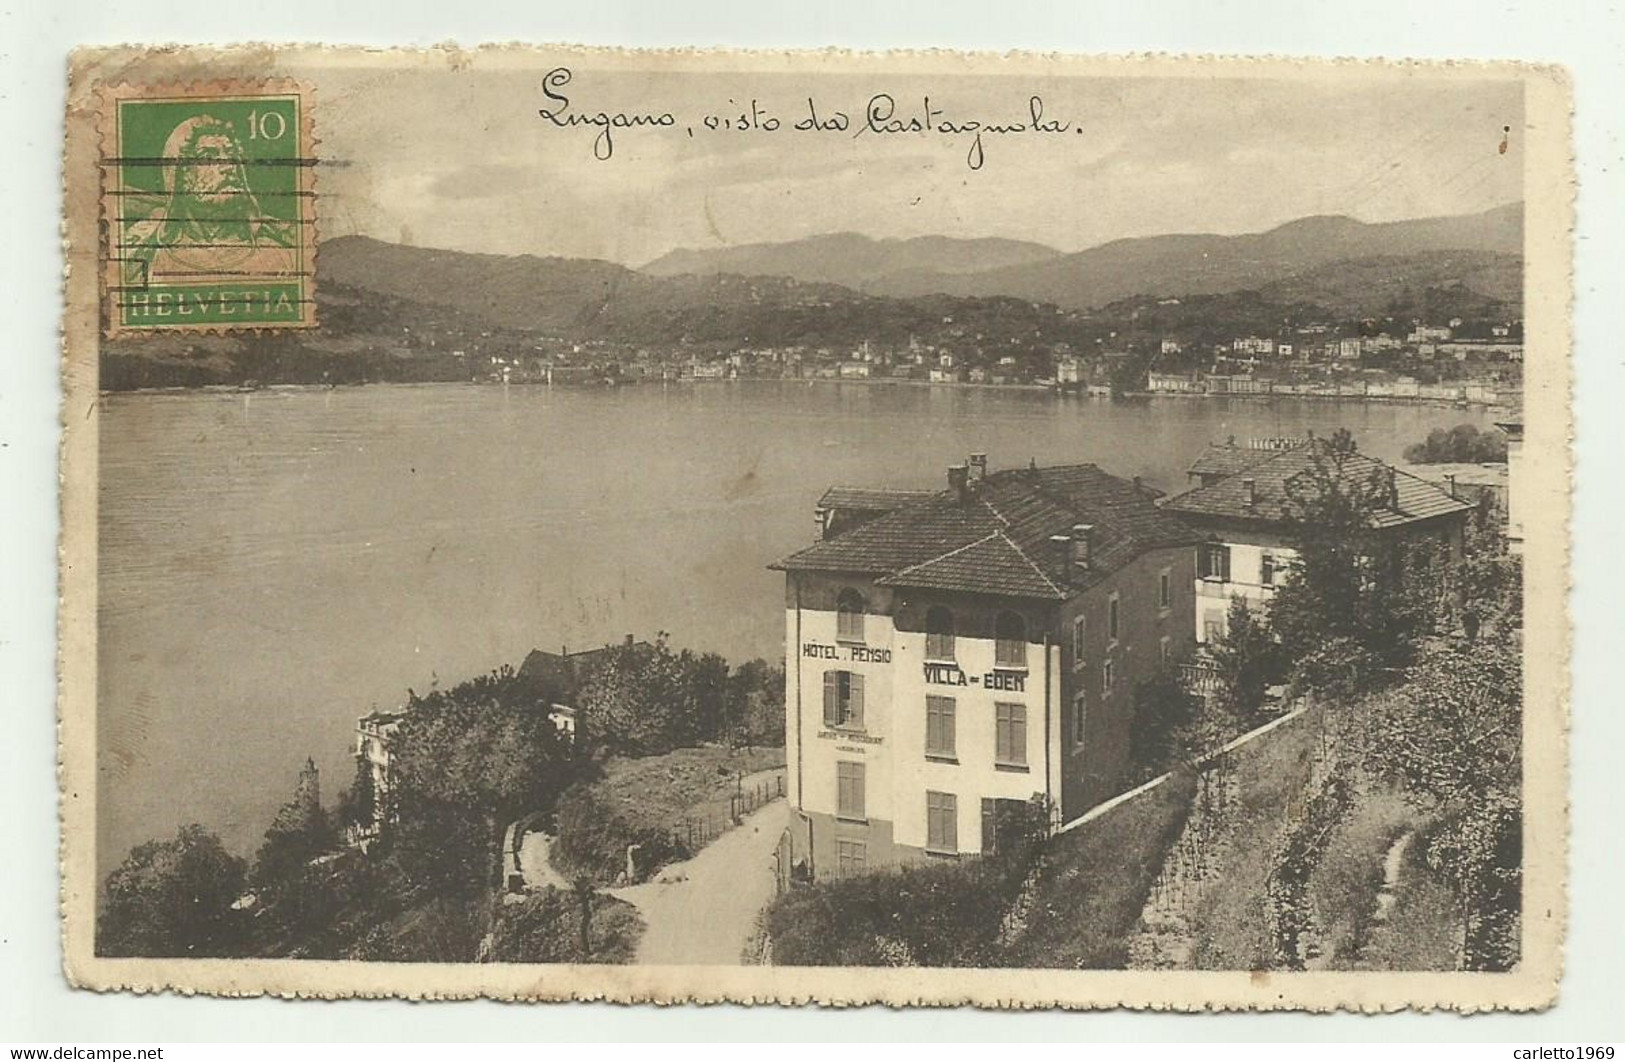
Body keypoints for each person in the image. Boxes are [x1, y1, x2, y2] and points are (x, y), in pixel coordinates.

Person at [121, 113, 298, 286]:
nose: (228, 167)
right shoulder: (144, 258)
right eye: (208, 157)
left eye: (231, 156)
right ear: (179, 176)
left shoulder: (281, 255)